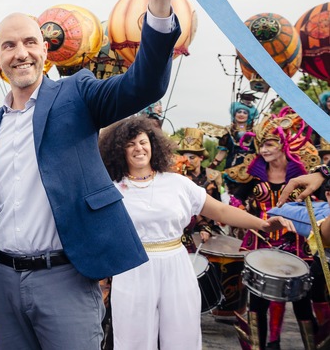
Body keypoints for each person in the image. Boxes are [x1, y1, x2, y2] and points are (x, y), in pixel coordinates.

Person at [0, 0, 186, 348]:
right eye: (9, 46)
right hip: (2, 283)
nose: (21, 53)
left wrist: (159, 0)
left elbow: (142, 86)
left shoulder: (76, 93)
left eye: (30, 41)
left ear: (45, 51)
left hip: (65, 279)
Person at [97, 116, 291, 349]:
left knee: (182, 335)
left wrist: (262, 224)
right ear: (119, 151)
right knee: (133, 337)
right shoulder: (112, 189)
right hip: (133, 267)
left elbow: (220, 209)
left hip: (176, 265)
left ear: (153, 144)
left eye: (142, 141)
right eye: (130, 144)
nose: (138, 148)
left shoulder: (178, 183)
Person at [229, 109, 322, 349]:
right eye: (261, 146)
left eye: (270, 144)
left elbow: (321, 203)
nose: (264, 150)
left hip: (296, 244)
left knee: (302, 301)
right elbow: (236, 198)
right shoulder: (254, 175)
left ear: (283, 144)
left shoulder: (303, 174)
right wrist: (237, 207)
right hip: (261, 240)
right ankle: (264, 345)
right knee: (258, 301)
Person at [177, 127, 223, 251]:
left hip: (209, 228)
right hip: (185, 229)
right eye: (185, 158)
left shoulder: (212, 176)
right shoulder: (179, 177)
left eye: (192, 158)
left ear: (201, 157)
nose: (188, 161)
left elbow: (218, 204)